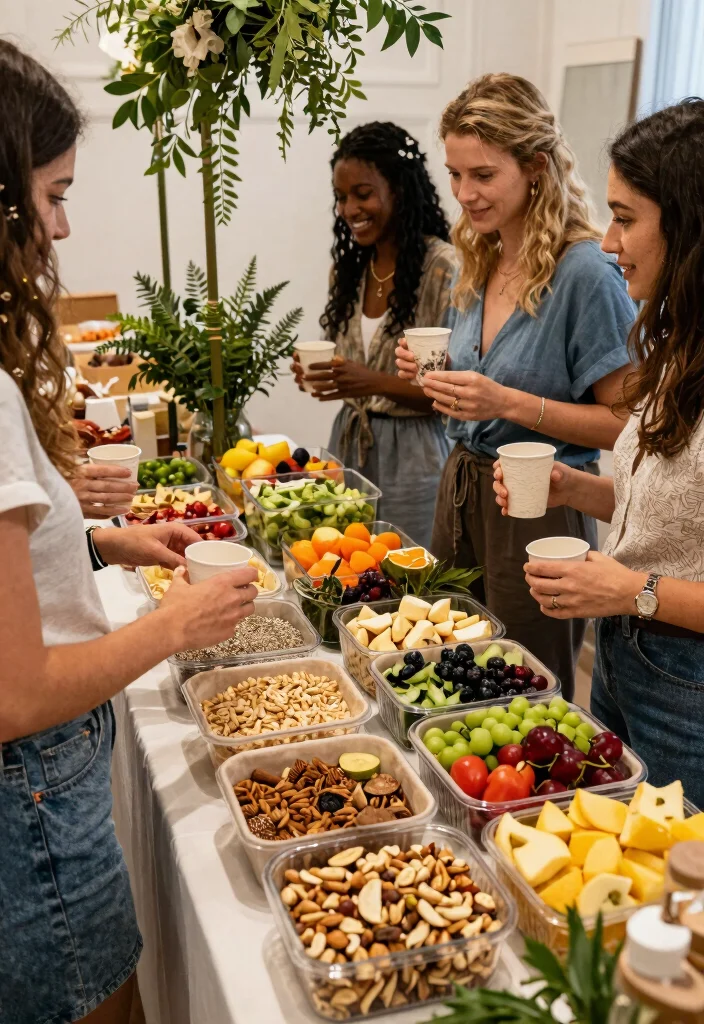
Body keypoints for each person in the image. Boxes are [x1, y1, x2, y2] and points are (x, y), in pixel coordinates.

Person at [0, 41, 258, 1024]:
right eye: (53, 194)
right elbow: (17, 695)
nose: (63, 226)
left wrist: (100, 545)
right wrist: (172, 625)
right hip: (30, 795)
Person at [396, 74, 636, 698]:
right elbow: (479, 389)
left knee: (525, 687)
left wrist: (505, 402)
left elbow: (627, 425)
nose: (463, 194)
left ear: (535, 167)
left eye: (483, 175)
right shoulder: (480, 256)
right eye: (455, 174)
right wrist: (432, 377)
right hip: (461, 491)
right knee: (448, 668)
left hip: (540, 506)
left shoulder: (587, 274)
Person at [494, 99, 704, 805]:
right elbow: (677, 509)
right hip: (625, 655)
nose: (609, 242)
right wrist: (573, 488)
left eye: (625, 217)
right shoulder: (678, 340)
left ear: (690, 224)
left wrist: (632, 590)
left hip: (688, 687)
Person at [292, 122, 456, 547]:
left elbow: (450, 395)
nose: (349, 209)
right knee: (345, 564)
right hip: (348, 446)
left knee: (408, 571)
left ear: (399, 190)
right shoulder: (349, 271)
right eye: (341, 197)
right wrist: (322, 377)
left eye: (362, 194)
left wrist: (370, 381)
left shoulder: (443, 268)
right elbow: (350, 372)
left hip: (416, 459)